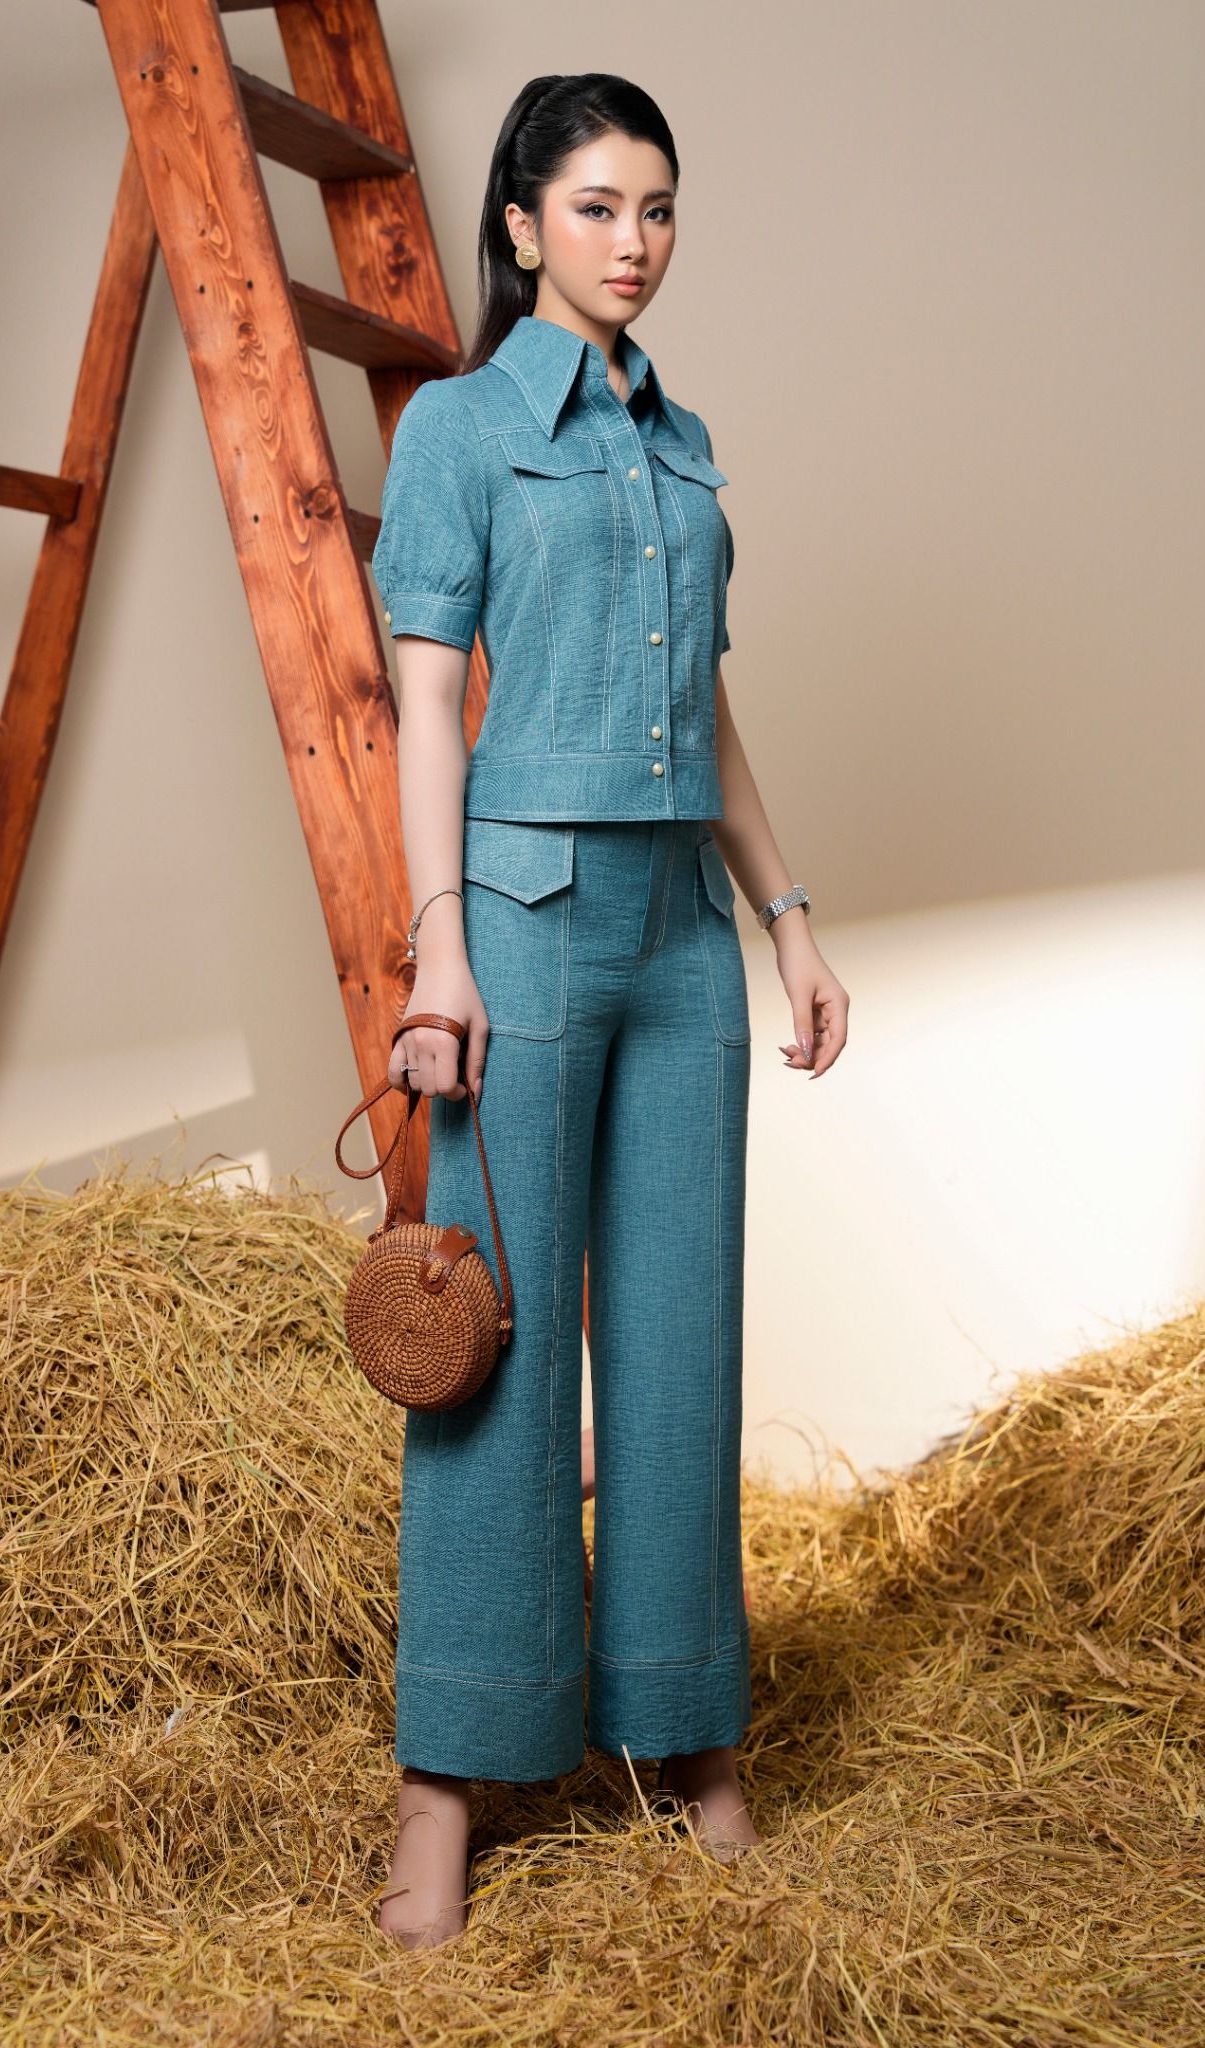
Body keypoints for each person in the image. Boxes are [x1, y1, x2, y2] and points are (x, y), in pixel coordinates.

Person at [369, 73, 850, 1948]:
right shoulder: (460, 427)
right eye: (593, 207)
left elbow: (703, 709)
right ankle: (446, 1782)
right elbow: (428, 702)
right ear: (520, 226)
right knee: (490, 1355)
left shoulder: (681, 436)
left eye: (655, 208)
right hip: (521, 918)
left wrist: (786, 921)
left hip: (678, 936)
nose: (632, 242)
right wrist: (440, 947)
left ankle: (682, 1731)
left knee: (677, 1340)